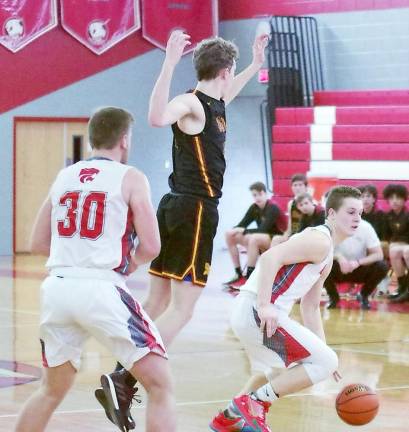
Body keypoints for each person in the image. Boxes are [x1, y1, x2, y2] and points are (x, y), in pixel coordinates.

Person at [96, 30, 270, 424]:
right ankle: (126, 377)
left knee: (156, 304)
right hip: (194, 210)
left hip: (177, 207)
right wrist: (168, 63)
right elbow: (158, 117)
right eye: (233, 71)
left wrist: (256, 65)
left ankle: (121, 371)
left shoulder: (215, 100)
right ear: (224, 70)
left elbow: (232, 89)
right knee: (184, 308)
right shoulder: (190, 103)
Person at [14, 107, 176, 432]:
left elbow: (37, 241)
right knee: (160, 386)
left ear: (91, 138)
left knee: (50, 390)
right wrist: (128, 263)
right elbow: (152, 246)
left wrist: (74, 256)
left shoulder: (65, 176)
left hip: (57, 288)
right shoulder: (131, 177)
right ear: (125, 139)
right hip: (101, 287)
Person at [210, 186, 361, 432]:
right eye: (351, 212)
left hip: (252, 313)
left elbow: (311, 306)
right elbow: (269, 257)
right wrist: (264, 305)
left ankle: (227, 419)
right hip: (257, 311)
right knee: (319, 363)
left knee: (276, 372)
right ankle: (254, 405)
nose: (357, 218)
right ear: (331, 213)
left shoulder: (326, 251)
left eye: (360, 213)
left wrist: (324, 354)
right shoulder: (319, 240)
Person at [224, 182, 282, 288]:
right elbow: (241, 225)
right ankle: (238, 273)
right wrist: (236, 230)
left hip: (276, 240)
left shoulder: (273, 208)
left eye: (260, 194)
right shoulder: (254, 208)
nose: (257, 197)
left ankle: (249, 277)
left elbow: (263, 230)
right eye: (255, 195)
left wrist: (244, 230)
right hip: (262, 237)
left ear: (265, 194)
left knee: (254, 238)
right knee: (230, 234)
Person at [324, 219, 388, 310]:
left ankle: (363, 295)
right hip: (337, 267)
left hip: (359, 267)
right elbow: (322, 252)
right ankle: (333, 297)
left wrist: (358, 262)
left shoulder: (366, 227)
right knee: (321, 264)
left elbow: (378, 255)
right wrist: (339, 257)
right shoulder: (330, 226)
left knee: (382, 266)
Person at [383, 184, 409, 302]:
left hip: (407, 245)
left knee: (407, 251)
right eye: (392, 198)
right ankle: (402, 287)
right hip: (397, 246)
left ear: (404, 200)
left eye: (398, 198)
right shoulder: (388, 217)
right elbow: (387, 237)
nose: (395, 201)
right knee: (393, 251)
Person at [271, 173, 308, 246]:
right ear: (292, 187)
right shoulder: (291, 204)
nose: (297, 188)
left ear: (306, 187)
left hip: (305, 236)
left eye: (300, 185)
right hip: (293, 235)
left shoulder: (311, 202)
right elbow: (290, 225)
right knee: (276, 239)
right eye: (295, 185)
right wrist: (286, 235)